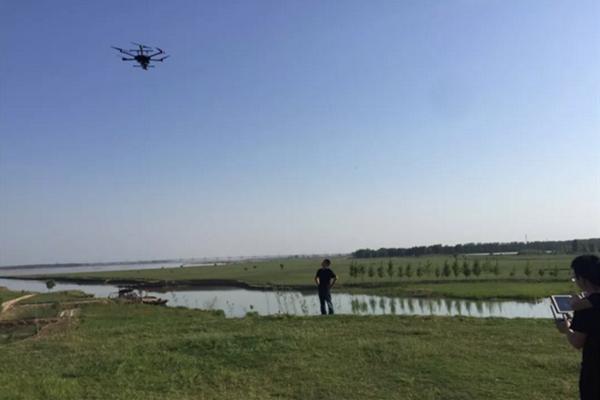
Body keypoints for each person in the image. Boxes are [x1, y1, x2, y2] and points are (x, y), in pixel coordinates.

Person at [555, 255, 600, 400]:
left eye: (575, 278)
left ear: (583, 279)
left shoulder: (584, 307)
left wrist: (566, 329)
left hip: (594, 370)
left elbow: (577, 342)